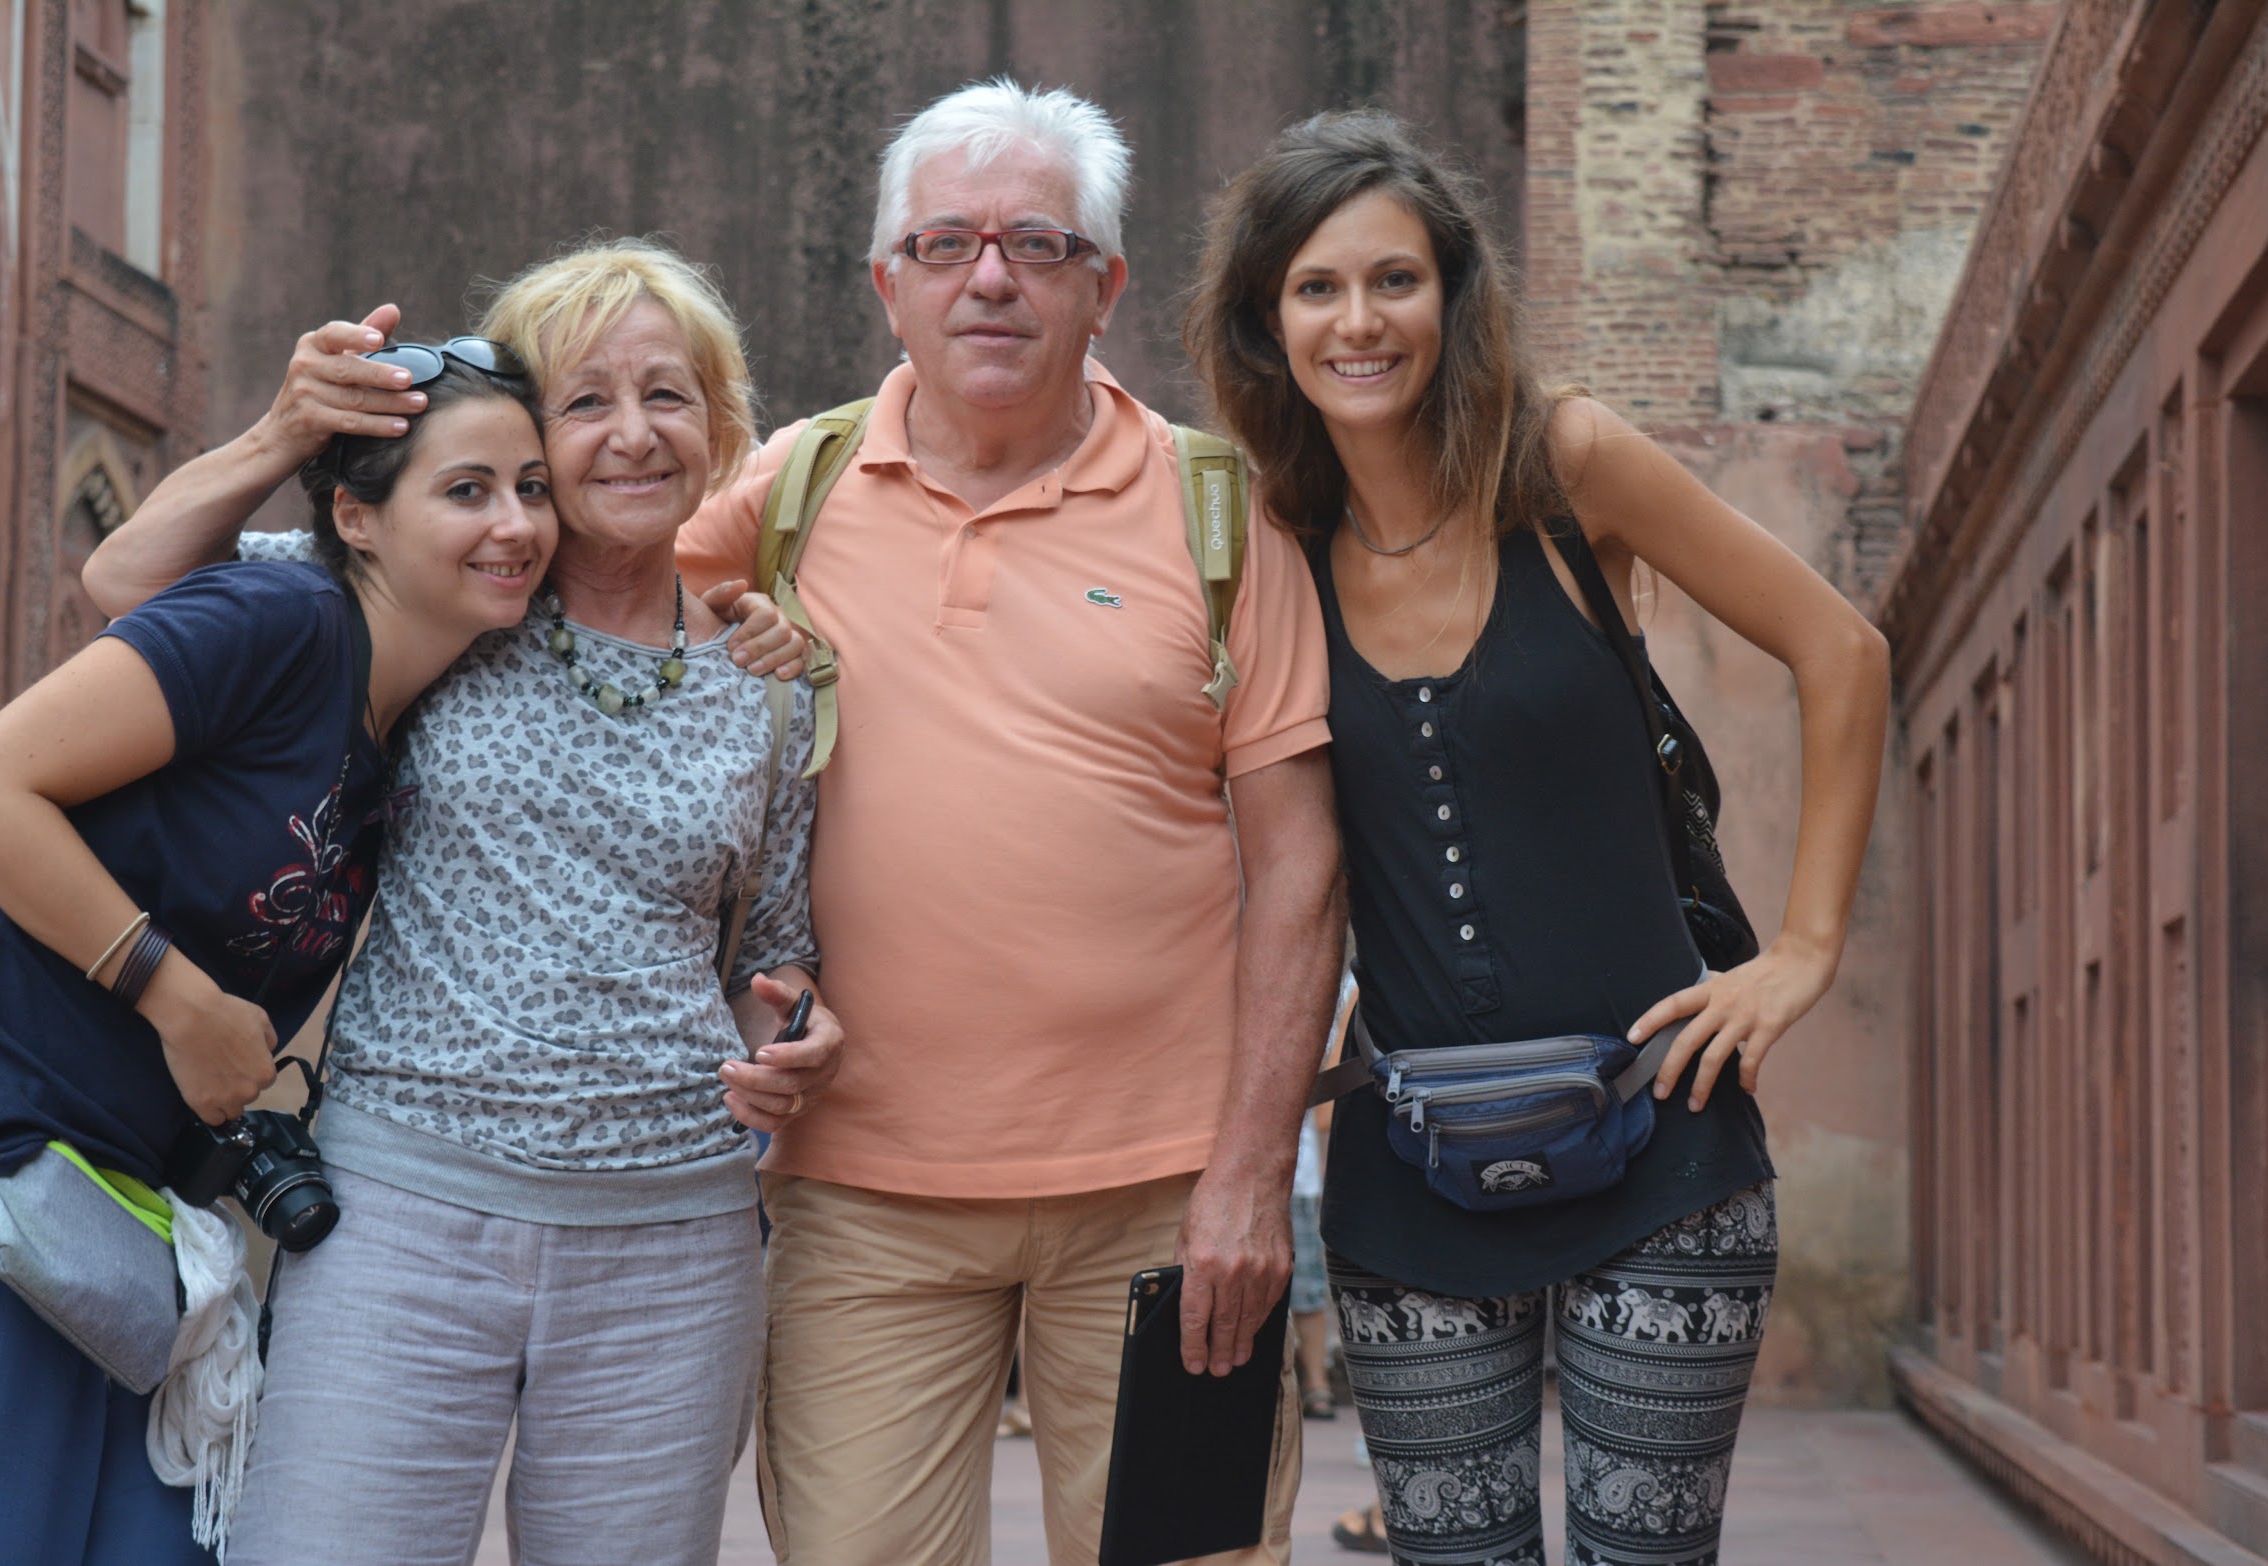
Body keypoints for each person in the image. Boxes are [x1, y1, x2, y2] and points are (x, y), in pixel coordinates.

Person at [1187, 111, 1890, 1566]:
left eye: (1395, 279)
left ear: (1453, 294)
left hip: (1665, 1141)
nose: (1359, 321)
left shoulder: (1566, 465)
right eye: (1316, 288)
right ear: (1267, 322)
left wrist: (1805, 949)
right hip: (1408, 1171)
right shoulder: (1268, 542)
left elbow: (1842, 650)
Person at [82, 239, 847, 1565]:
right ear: (527, 435)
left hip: (672, 1241)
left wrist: (795, 1032)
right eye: (586, 401)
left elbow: (769, 952)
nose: (632, 433)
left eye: (666, 395)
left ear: (718, 425)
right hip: (402, 1211)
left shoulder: (771, 682)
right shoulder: (440, 591)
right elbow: (126, 584)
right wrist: (286, 430)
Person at [674, 80, 1346, 1565]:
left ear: (1104, 288)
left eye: (1038, 244)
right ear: (888, 284)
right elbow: (581, 629)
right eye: (946, 244)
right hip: (861, 1202)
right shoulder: (789, 491)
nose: (990, 278)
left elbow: (1301, 868)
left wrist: (1251, 1176)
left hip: (1168, 1201)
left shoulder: (1219, 513)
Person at [0, 346, 555, 1564]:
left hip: (128, 1223)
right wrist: (176, 997)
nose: (517, 523)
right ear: (357, 518)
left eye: (534, 489)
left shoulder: (394, 725)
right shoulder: (280, 620)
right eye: (469, 489)